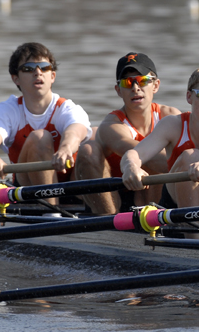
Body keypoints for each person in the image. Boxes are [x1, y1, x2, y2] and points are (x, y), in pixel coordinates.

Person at [121, 63, 199, 219]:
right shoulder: (172, 125)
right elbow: (135, 154)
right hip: (175, 204)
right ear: (189, 97)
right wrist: (130, 167)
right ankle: (192, 237)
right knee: (191, 156)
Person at [0, 42, 91, 201]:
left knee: (95, 141)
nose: (38, 72)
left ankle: (108, 215)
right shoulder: (8, 110)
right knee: (40, 138)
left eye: (44, 67)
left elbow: (76, 131)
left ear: (52, 76)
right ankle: (52, 213)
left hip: (70, 184)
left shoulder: (66, 108)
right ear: (15, 78)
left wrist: (65, 149)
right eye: (28, 69)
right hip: (28, 189)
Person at [75, 53, 181, 214]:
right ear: (118, 90)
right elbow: (147, 156)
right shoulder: (112, 124)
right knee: (88, 149)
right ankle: (108, 221)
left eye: (142, 80)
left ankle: (156, 217)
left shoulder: (171, 116)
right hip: (115, 198)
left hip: (155, 197)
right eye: (127, 82)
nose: (135, 88)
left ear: (156, 85)